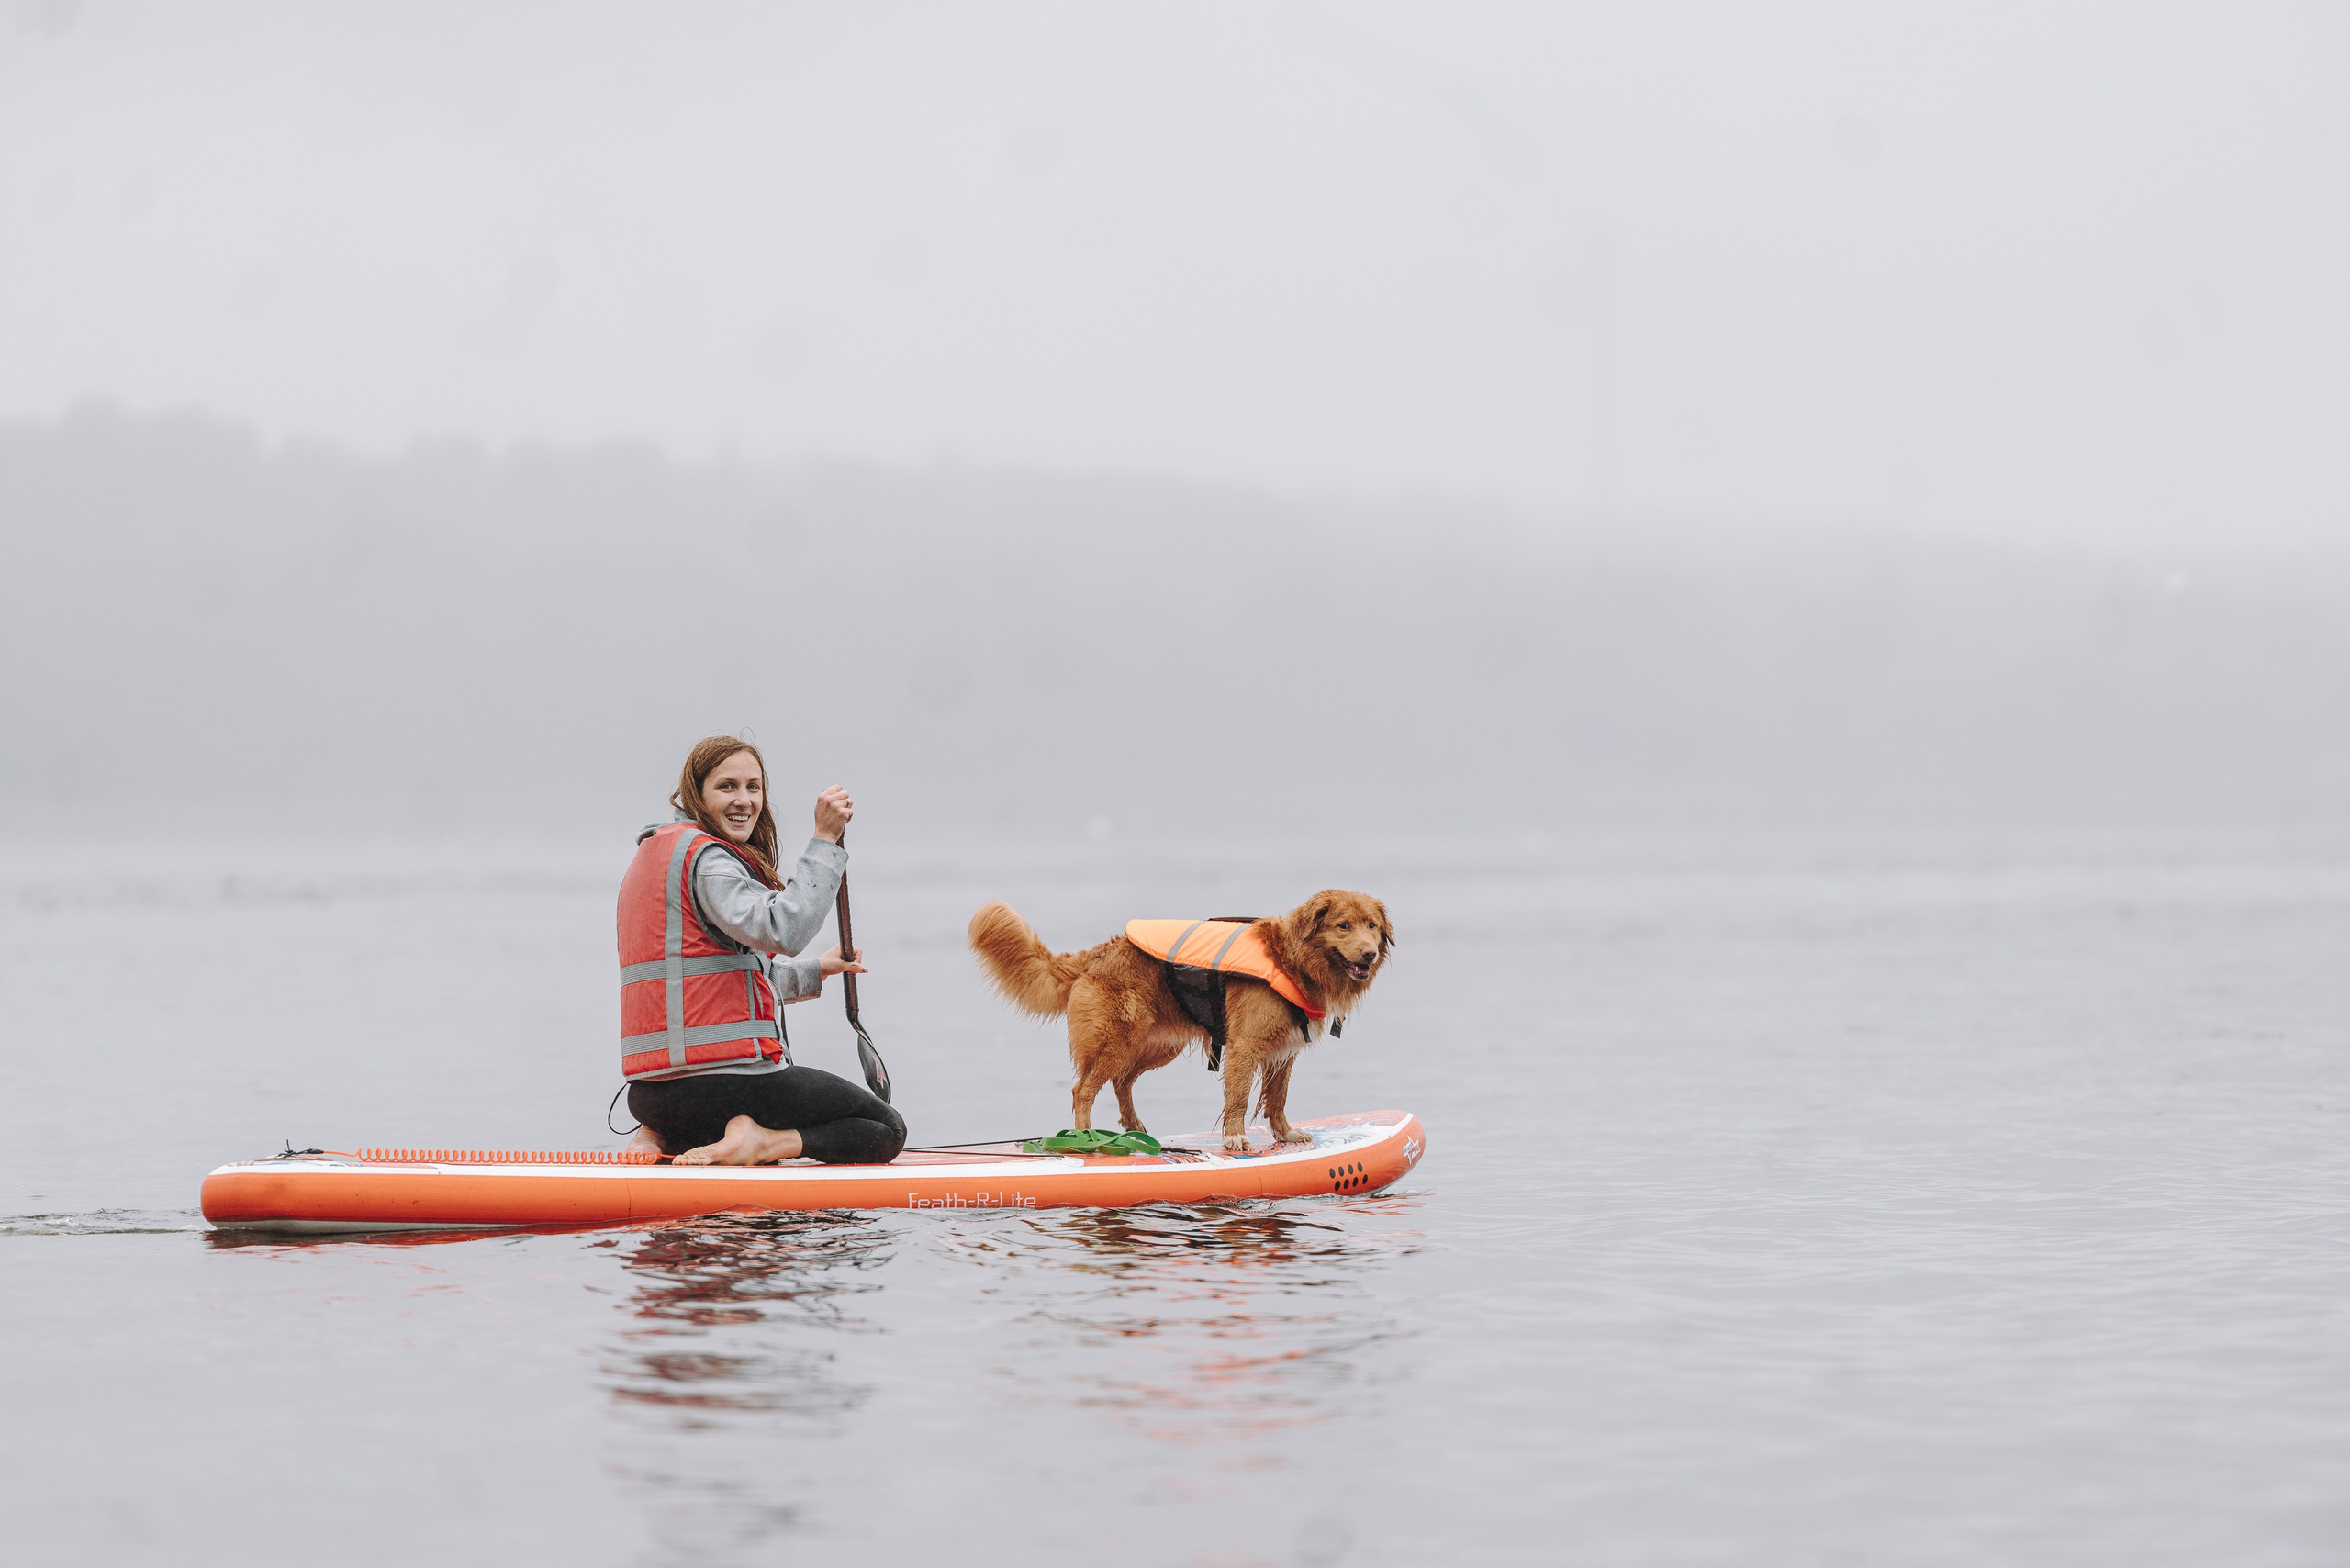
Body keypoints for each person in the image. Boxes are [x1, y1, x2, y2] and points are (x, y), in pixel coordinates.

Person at [616, 734, 906, 1166]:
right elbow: (783, 929)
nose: (744, 800)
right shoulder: (709, 861)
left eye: (754, 787)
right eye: (727, 786)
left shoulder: (656, 854)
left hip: (652, 1096)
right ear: (696, 795)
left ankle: (661, 1137)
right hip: (726, 1087)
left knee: (702, 1107)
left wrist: (818, 971)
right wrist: (826, 838)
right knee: (885, 1130)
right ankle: (759, 1141)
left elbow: (713, 987)